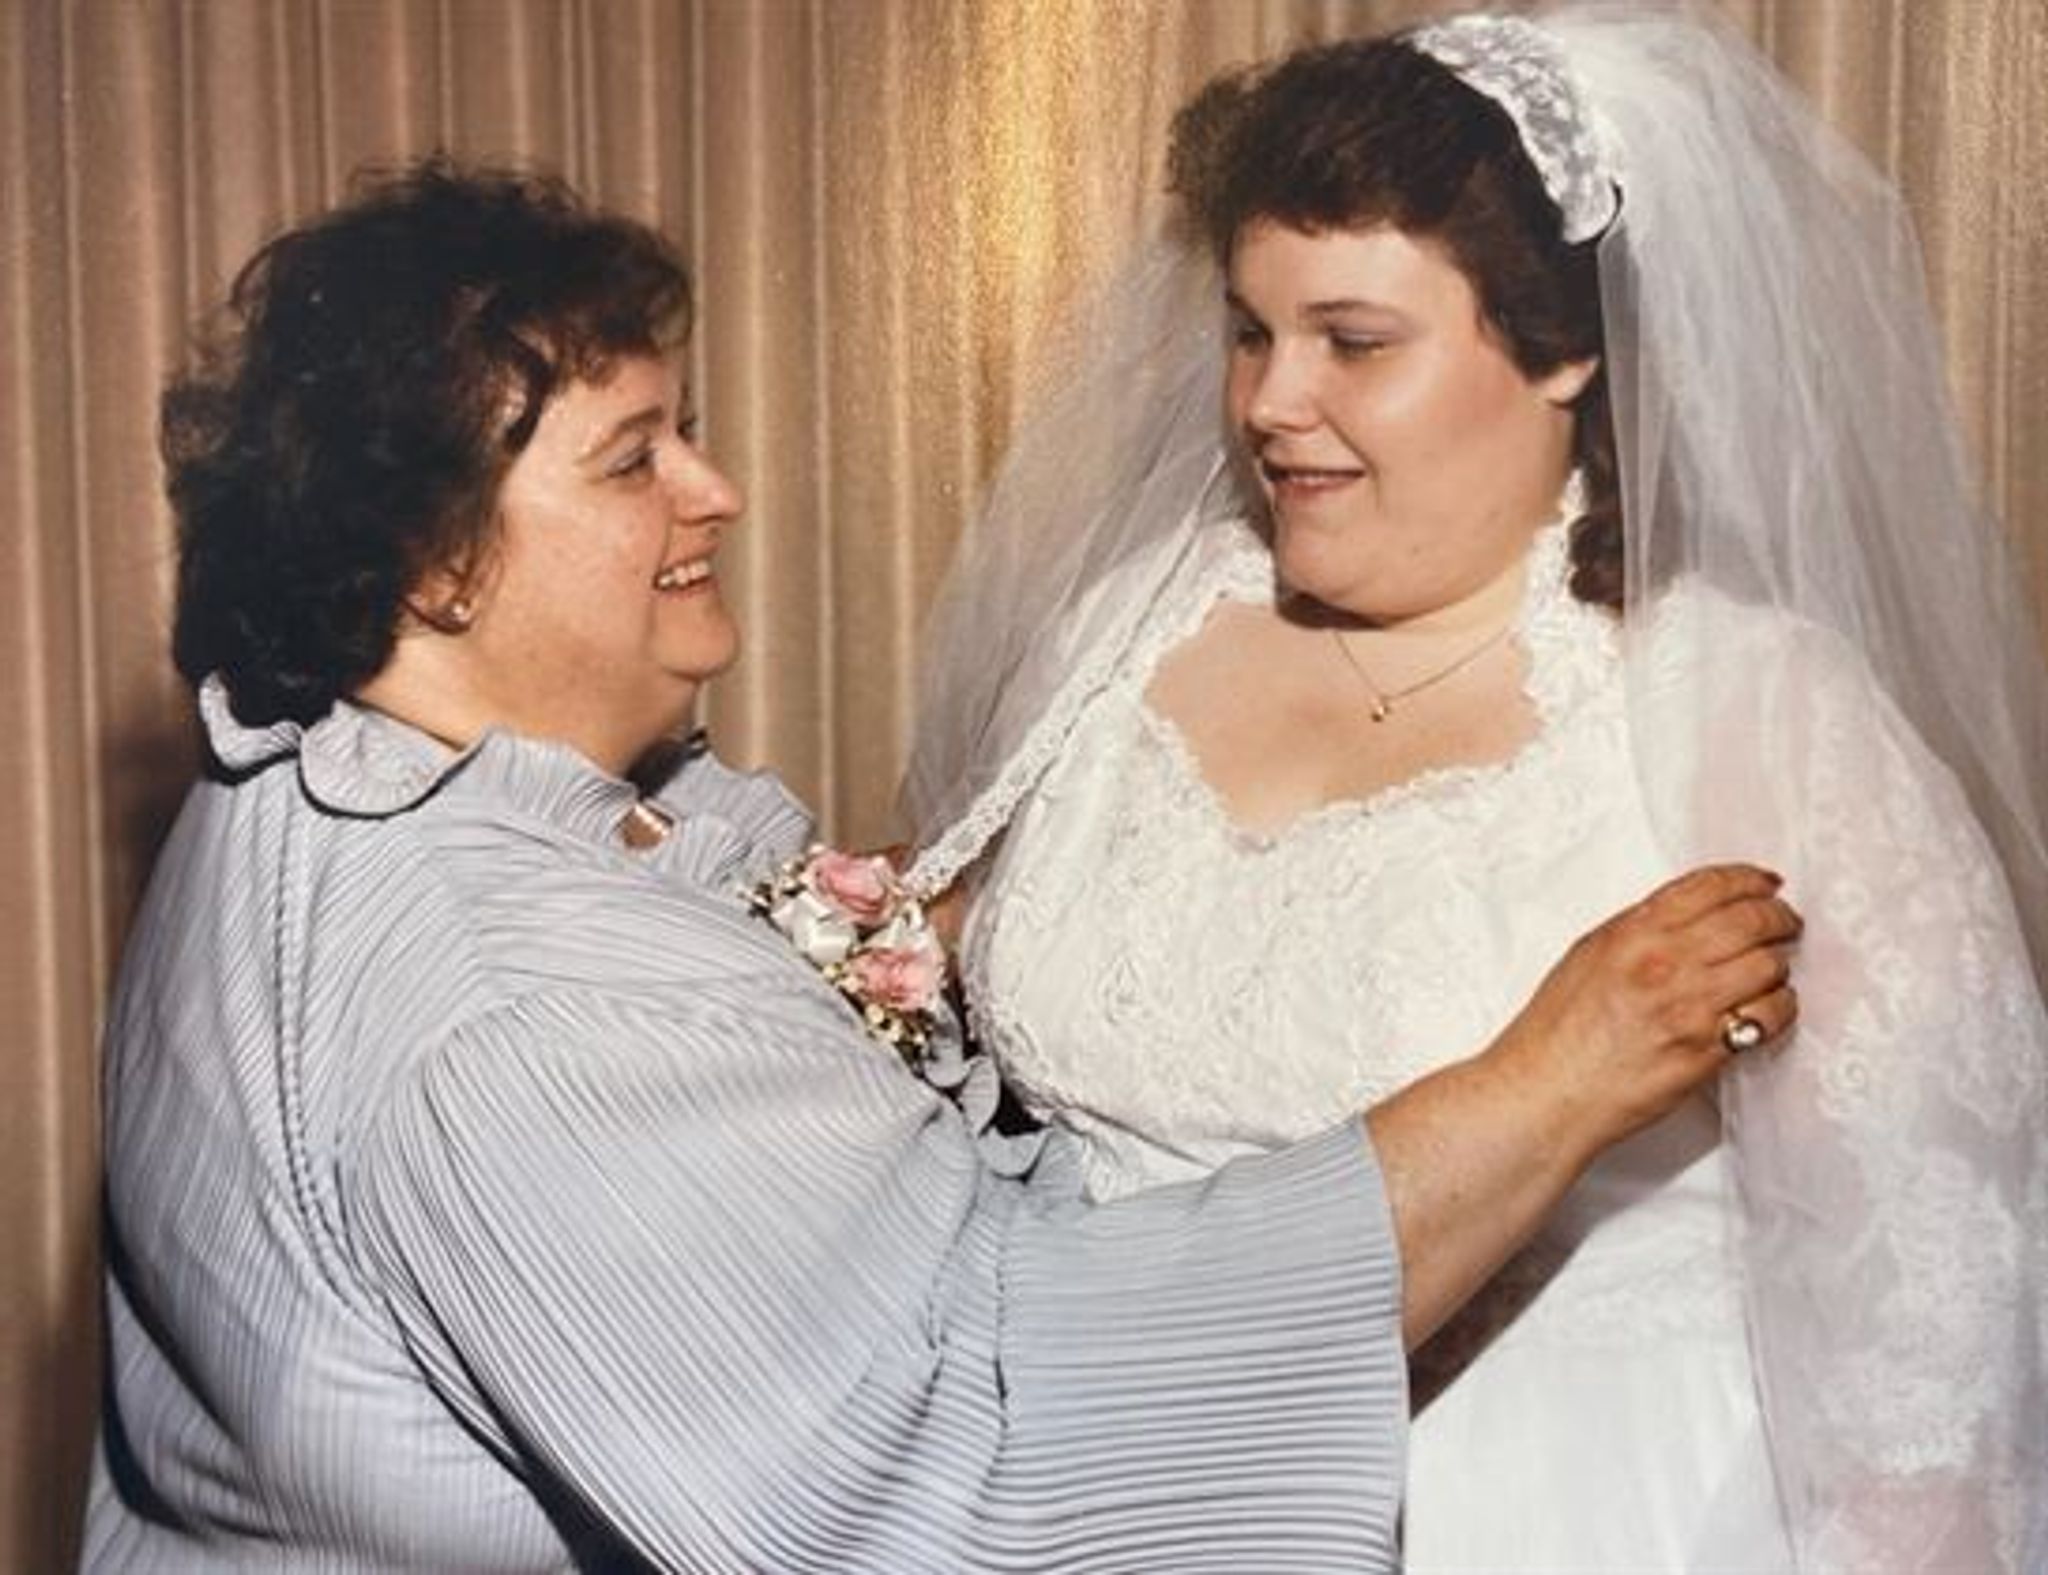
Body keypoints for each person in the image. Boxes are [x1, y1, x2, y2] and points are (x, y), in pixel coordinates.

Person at [84, 159, 1802, 1572]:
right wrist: (1539, 1089)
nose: (716, 491)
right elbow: (971, 1461)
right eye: (633, 459)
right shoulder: (518, 1013)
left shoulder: (304, 782)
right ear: (432, 562)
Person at [902, 4, 2048, 1572]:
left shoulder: (1754, 718)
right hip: (1096, 1492)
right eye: (1251, 332)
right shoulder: (1132, 626)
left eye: (1355, 342)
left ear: (1564, 345)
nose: (1271, 401)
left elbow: (1929, 1319)